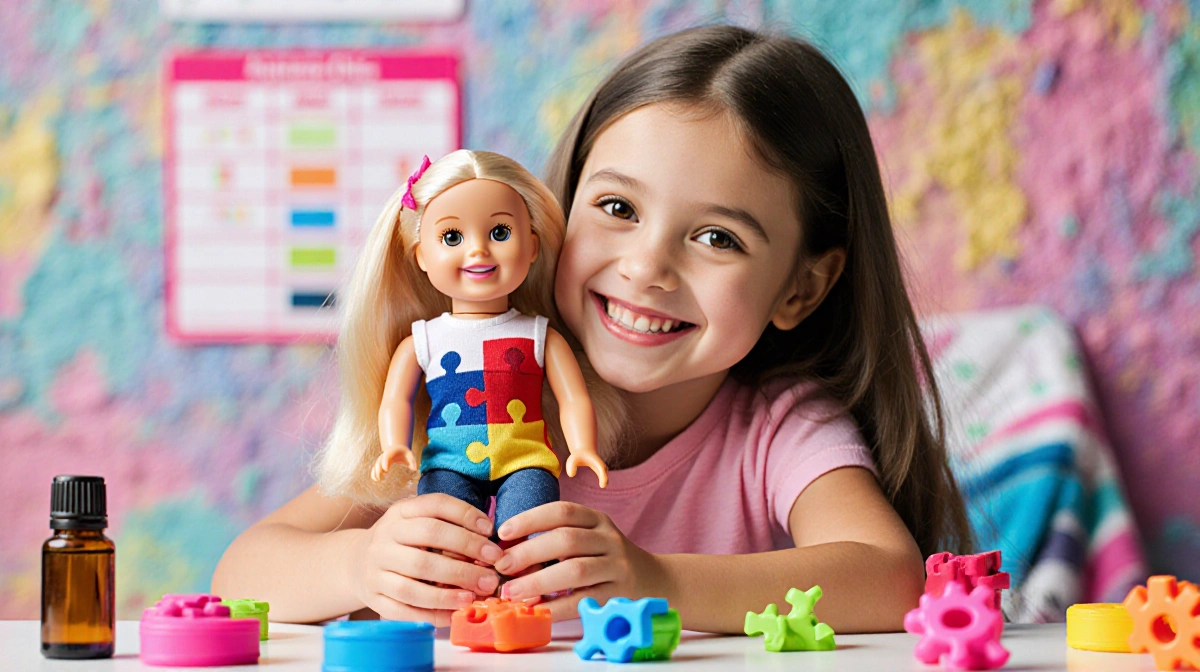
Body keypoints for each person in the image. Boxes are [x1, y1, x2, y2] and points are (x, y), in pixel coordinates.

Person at [212, 25, 970, 634]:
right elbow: (244, 569)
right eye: (617, 209)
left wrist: (658, 581)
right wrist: (360, 565)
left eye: (718, 238)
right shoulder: (469, 396)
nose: (647, 268)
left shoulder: (778, 430)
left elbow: (889, 574)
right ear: (551, 217)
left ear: (801, 287)